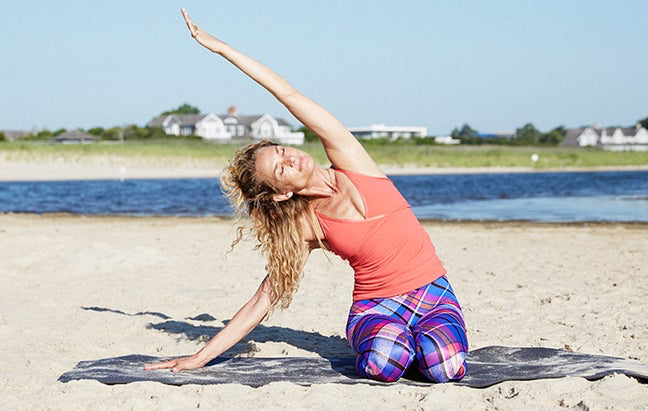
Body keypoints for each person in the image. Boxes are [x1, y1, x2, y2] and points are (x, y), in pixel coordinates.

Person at [144, 8, 468, 383]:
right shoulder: (306, 225)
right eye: (280, 170)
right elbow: (265, 297)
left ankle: (422, 342)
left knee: (442, 365)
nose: (291, 159)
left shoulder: (350, 159)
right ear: (280, 195)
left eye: (282, 151)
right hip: (376, 307)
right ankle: (390, 341)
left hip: (433, 294)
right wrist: (201, 357)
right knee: (386, 363)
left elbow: (287, 93)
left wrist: (221, 49)